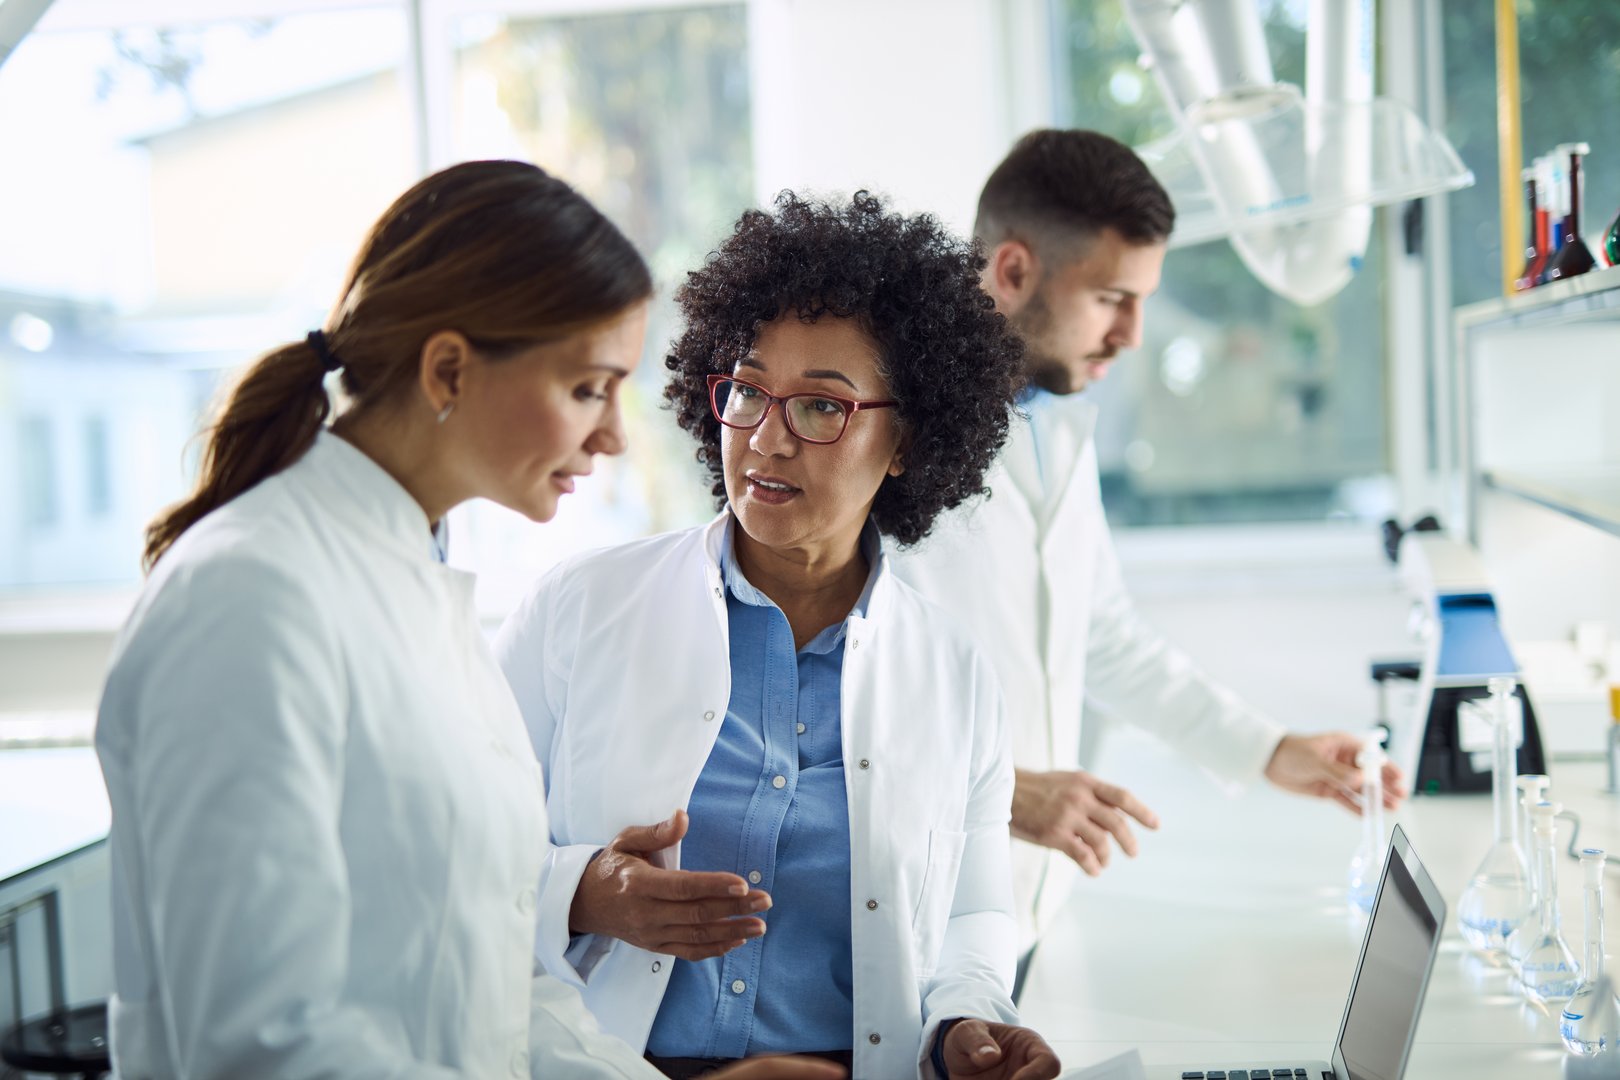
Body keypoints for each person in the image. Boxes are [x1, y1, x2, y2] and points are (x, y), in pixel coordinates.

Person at [94, 160, 843, 1080]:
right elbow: (260, 1045)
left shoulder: (420, 589)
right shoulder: (251, 600)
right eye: (586, 389)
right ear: (449, 368)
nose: (613, 435)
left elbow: (499, 985)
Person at [495, 192, 1061, 1080]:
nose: (766, 439)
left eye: (822, 408)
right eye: (749, 392)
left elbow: (973, 914)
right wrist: (585, 895)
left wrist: (963, 1020)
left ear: (907, 439)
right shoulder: (577, 610)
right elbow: (458, 865)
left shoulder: (953, 671)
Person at [889, 130, 1407, 993]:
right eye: (1109, 298)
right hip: (910, 918)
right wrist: (1004, 794)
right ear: (1012, 271)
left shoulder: (1057, 410)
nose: (1132, 335)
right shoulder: (885, 426)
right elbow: (815, 684)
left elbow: (1103, 635)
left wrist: (1270, 749)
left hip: (1025, 914)